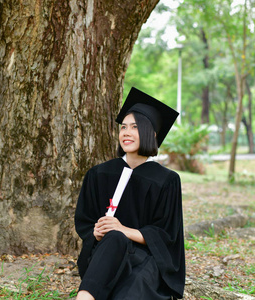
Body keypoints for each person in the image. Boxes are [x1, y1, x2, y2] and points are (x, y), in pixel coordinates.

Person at [75, 87, 185, 300]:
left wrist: (123, 229)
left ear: (151, 134)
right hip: (106, 254)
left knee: (133, 286)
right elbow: (85, 221)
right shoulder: (99, 174)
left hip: (146, 258)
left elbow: (167, 235)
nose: (126, 132)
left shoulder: (167, 180)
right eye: (123, 127)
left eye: (135, 127)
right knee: (114, 238)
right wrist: (96, 233)